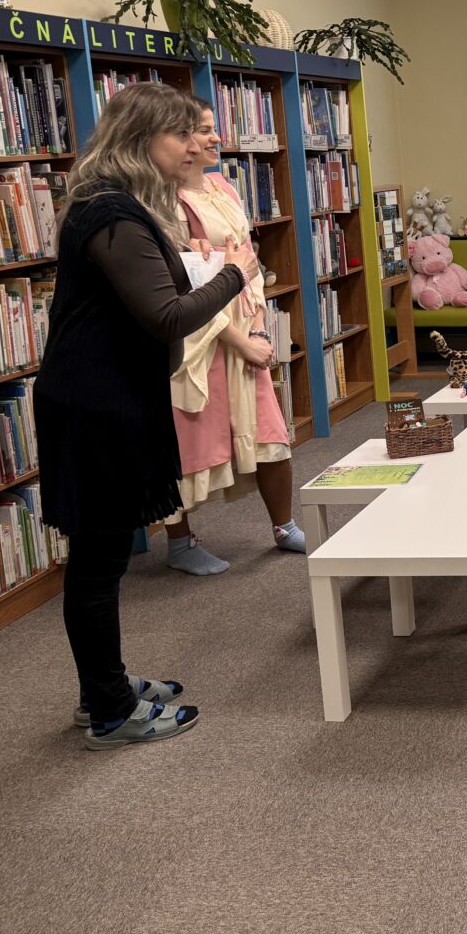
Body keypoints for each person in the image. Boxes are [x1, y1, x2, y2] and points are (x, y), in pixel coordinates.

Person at [37, 82, 257, 748]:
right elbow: (165, 316)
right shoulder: (112, 214)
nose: (195, 144)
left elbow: (146, 298)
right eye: (180, 133)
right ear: (139, 139)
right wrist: (234, 274)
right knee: (99, 563)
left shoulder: (115, 205)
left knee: (98, 560)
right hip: (97, 406)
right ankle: (110, 711)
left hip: (108, 397)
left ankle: (103, 688)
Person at [161, 97, 303, 576]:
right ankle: (180, 543)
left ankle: (283, 526)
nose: (214, 138)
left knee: (269, 432)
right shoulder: (165, 202)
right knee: (190, 440)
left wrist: (257, 325)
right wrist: (240, 341)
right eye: (202, 130)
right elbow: (184, 286)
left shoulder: (221, 185)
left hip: (244, 322)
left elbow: (247, 261)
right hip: (201, 338)